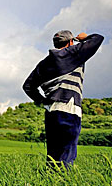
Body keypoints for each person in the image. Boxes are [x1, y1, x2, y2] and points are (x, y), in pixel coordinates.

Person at [23, 30, 104, 168]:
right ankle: (63, 185)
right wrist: (84, 38)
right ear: (70, 42)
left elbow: (28, 86)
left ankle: (50, 184)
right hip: (69, 108)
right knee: (67, 154)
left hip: (51, 111)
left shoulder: (43, 64)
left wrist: (42, 101)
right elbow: (98, 39)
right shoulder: (74, 53)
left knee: (53, 156)